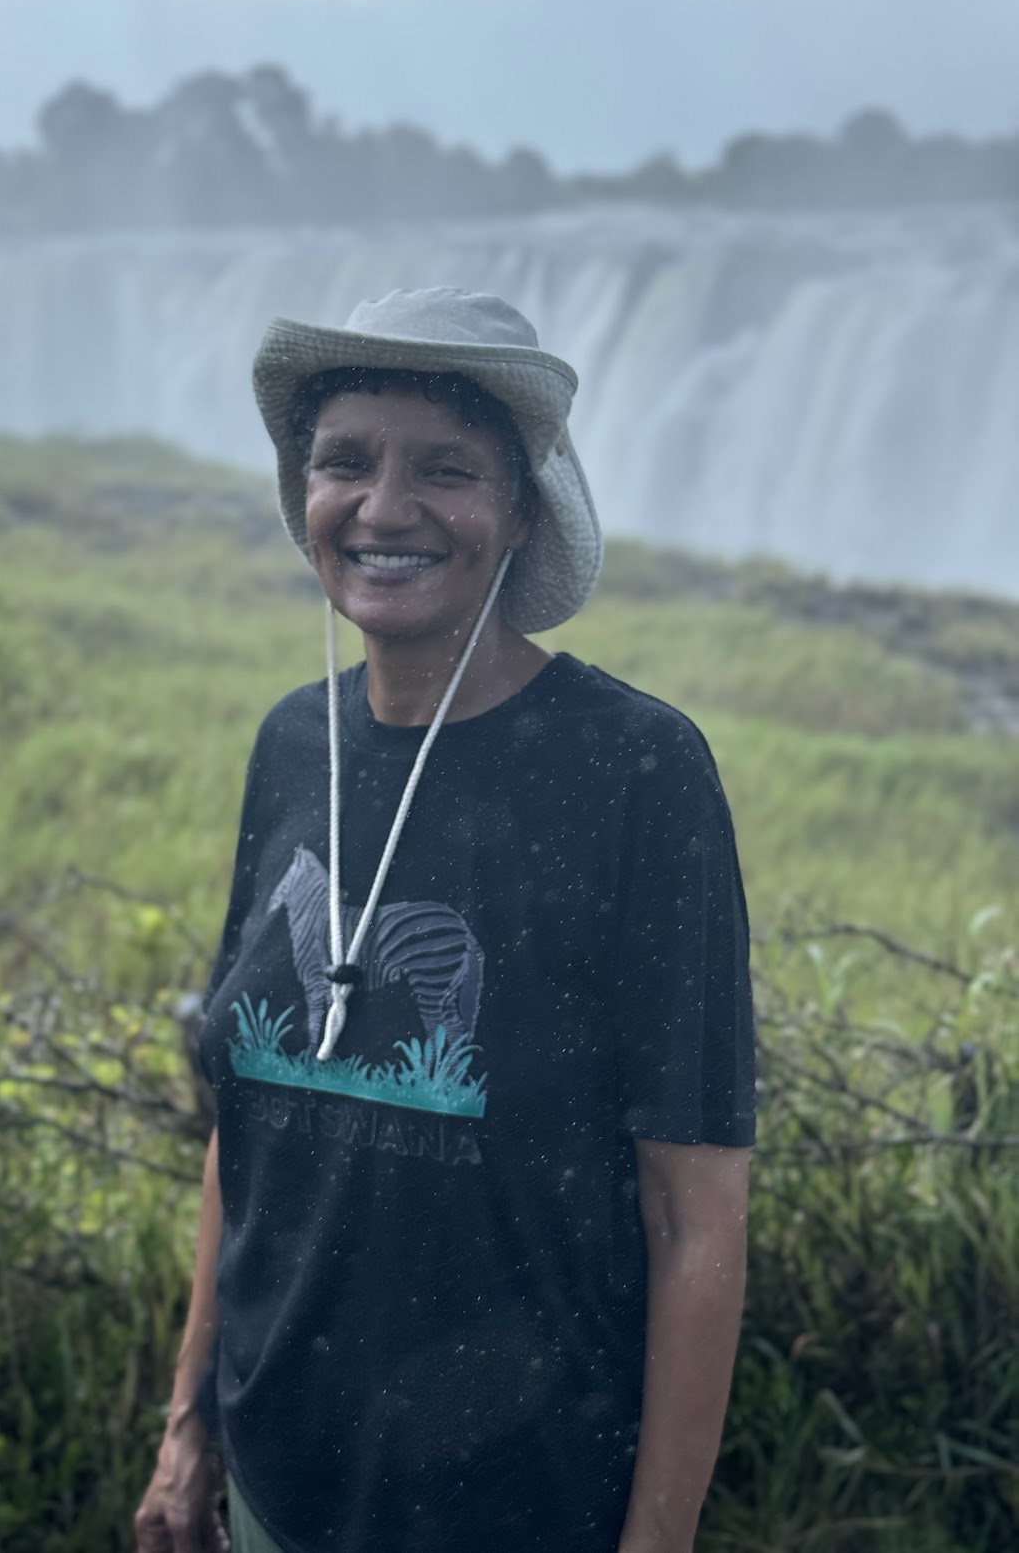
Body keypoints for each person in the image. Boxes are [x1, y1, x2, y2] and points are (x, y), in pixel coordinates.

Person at [135, 288, 755, 1553]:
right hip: (274, 1481)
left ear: (519, 507)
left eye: (445, 470)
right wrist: (189, 1430)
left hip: (518, 1502)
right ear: (303, 495)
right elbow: (241, 1128)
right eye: (344, 461)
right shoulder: (288, 745)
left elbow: (693, 1215)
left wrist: (657, 1541)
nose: (383, 507)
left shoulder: (635, 772)